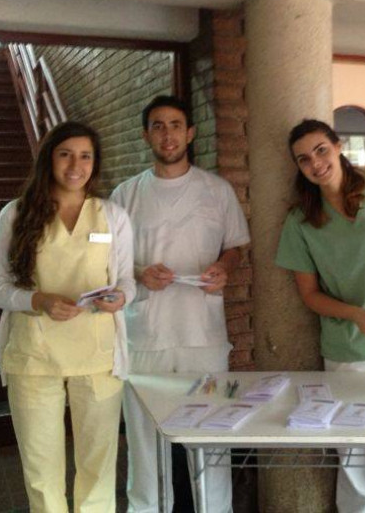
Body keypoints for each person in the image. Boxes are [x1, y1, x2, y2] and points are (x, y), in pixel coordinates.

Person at [0, 122, 134, 513]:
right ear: (49, 158)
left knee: (98, 467)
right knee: (41, 471)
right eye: (65, 154)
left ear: (95, 163)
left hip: (98, 358)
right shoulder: (16, 215)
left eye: (85, 156)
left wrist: (120, 297)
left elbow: (126, 281)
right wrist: (37, 300)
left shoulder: (112, 216)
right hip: (34, 357)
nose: (75, 165)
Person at [275, 119, 365, 513]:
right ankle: (356, 507)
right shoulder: (301, 220)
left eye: (321, 150)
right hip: (346, 339)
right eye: (304, 159)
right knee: (351, 435)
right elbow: (309, 295)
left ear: (338, 146)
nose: (315, 163)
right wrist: (355, 315)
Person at [111, 95, 250, 513]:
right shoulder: (125, 195)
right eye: (157, 126)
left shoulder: (217, 190)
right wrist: (139, 273)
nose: (167, 134)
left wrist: (224, 268)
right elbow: (109, 261)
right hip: (145, 337)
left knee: (212, 437)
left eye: (175, 125)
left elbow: (235, 247)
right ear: (146, 135)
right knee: (144, 442)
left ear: (190, 133)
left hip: (202, 337)